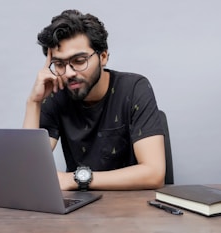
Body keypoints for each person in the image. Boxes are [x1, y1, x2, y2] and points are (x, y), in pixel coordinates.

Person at [23, 9, 165, 191]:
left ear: (103, 56)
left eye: (80, 61)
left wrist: (74, 180)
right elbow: (28, 170)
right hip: (78, 208)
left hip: (132, 206)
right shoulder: (56, 93)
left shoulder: (134, 88)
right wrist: (33, 102)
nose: (69, 73)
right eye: (59, 64)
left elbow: (154, 174)